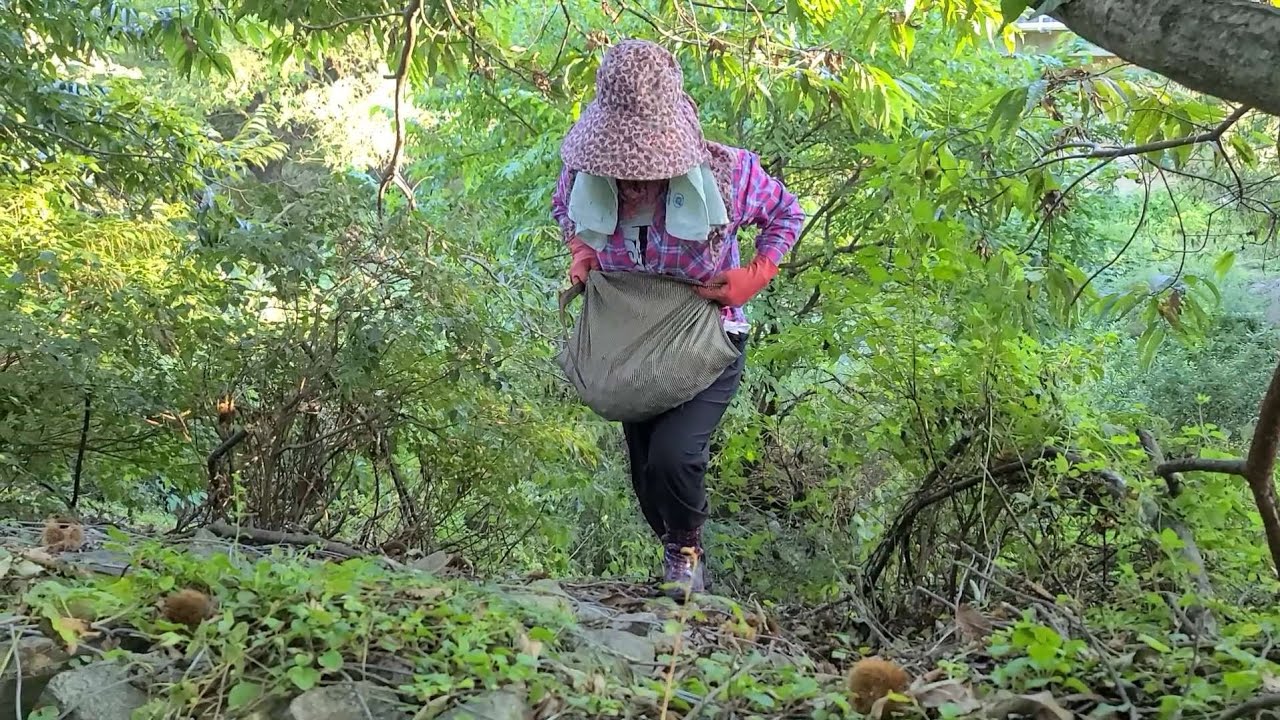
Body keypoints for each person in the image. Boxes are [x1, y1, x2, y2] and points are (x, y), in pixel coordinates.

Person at [550, 39, 804, 599]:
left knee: (675, 456)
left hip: (704, 333)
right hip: (630, 338)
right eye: (622, 166)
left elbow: (787, 212)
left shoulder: (726, 174)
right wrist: (581, 250)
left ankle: (688, 554)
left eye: (645, 165)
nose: (634, 180)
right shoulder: (584, 177)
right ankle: (675, 549)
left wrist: (758, 271)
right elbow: (563, 210)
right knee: (646, 479)